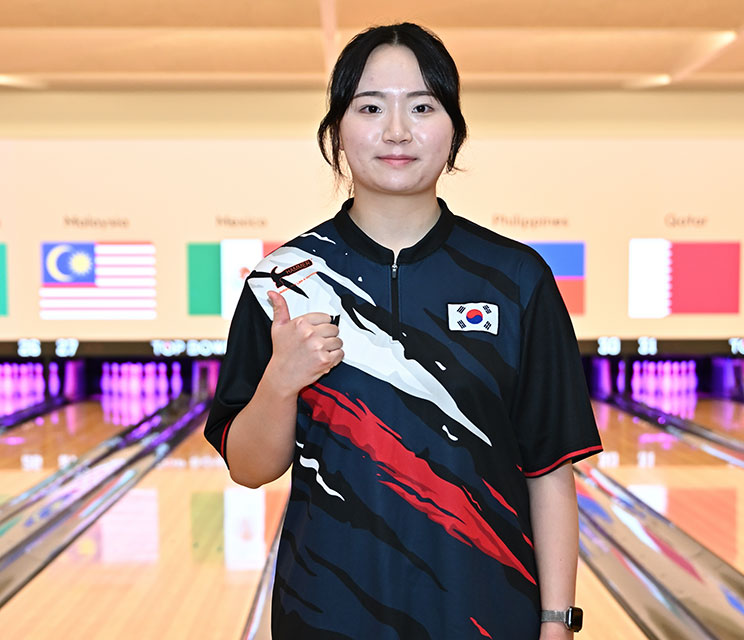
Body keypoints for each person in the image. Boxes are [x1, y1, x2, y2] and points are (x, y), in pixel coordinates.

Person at [205, 22, 602, 640]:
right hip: (324, 617)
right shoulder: (282, 280)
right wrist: (281, 382)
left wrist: (558, 624)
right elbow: (249, 469)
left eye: (422, 106)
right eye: (370, 108)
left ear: (454, 130)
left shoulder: (517, 278)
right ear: (337, 129)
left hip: (487, 619)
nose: (397, 131)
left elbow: (549, 468)